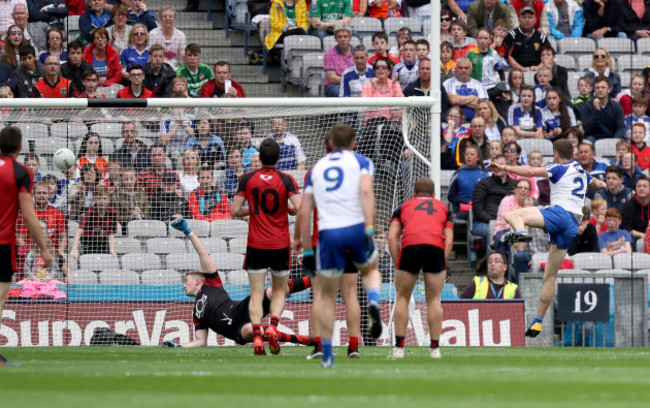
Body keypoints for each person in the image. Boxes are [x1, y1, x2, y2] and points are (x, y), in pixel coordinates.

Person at [487, 139, 606, 338]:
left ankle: (522, 234)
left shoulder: (559, 168)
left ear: (557, 155)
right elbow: (597, 183)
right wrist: (602, 184)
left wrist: (505, 166)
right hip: (571, 225)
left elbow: (531, 172)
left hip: (560, 214)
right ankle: (537, 321)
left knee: (512, 216)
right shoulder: (582, 172)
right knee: (550, 276)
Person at [297, 122, 383, 368]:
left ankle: (326, 353)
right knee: (362, 281)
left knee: (324, 296)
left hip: (328, 235)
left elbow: (304, 212)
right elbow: (367, 193)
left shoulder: (316, 168)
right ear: (354, 143)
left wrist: (308, 250)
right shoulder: (362, 162)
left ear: (330, 144)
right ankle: (358, 337)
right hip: (356, 228)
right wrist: (369, 228)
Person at [162, 218, 313, 349]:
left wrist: (188, 231)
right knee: (253, 331)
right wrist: (179, 346)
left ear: (196, 281)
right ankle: (298, 339)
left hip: (241, 308)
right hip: (235, 330)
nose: (183, 285)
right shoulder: (196, 313)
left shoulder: (211, 282)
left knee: (274, 291)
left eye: (186, 281)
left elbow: (202, 253)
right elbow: (201, 341)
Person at [230, 138, 301, 356]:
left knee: (256, 293)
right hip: (280, 244)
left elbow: (234, 211)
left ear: (259, 158)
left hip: (256, 244)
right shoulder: (287, 179)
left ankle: (258, 336)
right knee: (280, 290)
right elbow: (299, 208)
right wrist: (286, 209)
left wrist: (252, 212)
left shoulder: (247, 178)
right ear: (279, 158)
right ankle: (273, 326)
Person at [0, 126, 51, 366]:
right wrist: (44, 248)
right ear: (20, 148)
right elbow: (30, 216)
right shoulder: (21, 172)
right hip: (2, 244)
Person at [386, 177, 452, 359]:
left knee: (402, 298)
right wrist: (441, 262)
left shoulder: (403, 207)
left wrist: (398, 261)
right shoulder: (443, 208)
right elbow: (449, 239)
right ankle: (434, 349)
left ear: (414, 193)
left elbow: (392, 237)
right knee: (434, 300)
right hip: (435, 249)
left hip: (410, 248)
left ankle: (399, 349)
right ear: (434, 195)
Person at [70, 184, 117, 259]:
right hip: (89, 243)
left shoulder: (112, 213)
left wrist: (112, 250)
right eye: (99, 198)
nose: (102, 201)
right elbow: (79, 231)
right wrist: (74, 249)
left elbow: (111, 235)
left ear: (109, 199)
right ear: (95, 199)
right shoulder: (90, 213)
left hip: (103, 243)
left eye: (104, 198)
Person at [504, 7, 551, 72]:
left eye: (530, 17)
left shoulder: (541, 37)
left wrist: (537, 68)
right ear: (519, 19)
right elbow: (506, 55)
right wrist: (521, 68)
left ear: (535, 19)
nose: (527, 20)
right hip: (515, 71)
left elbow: (548, 56)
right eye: (524, 17)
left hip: (537, 71)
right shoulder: (512, 35)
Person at [581, 76, 626, 143]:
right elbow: (587, 128)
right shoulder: (587, 106)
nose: (600, 90)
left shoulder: (616, 106)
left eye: (603, 87)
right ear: (594, 90)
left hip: (612, 137)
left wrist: (615, 141)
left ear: (609, 89)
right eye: (597, 87)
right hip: (593, 138)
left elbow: (621, 127)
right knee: (587, 142)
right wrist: (596, 110)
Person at [448, 145, 488, 218]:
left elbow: (488, 195)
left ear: (478, 157)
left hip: (479, 209)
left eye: (472, 154)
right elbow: (451, 197)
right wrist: (466, 203)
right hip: (462, 210)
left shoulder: (484, 175)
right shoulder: (458, 174)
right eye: (467, 154)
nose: (469, 156)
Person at [443, 57, 488, 122]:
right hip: (455, 123)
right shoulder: (448, 82)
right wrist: (473, 98)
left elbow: (483, 105)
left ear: (471, 70)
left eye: (466, 68)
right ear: (455, 69)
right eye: (460, 68)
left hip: (477, 122)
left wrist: (459, 100)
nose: (463, 70)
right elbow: (453, 100)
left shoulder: (479, 85)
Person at [466, 28, 508, 93]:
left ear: (490, 40)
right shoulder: (470, 53)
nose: (483, 40)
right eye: (480, 38)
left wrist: (503, 83)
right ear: (476, 39)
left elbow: (501, 71)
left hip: (491, 87)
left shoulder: (494, 54)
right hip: (474, 87)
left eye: (485, 38)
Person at [323, 25, 354, 98]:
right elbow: (332, 79)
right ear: (335, 38)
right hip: (335, 85)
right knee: (337, 91)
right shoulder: (329, 54)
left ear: (350, 38)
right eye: (339, 37)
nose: (342, 39)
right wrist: (352, 80)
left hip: (355, 84)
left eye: (345, 36)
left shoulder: (357, 52)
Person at [621, 176, 650, 247]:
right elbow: (626, 228)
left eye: (644, 186)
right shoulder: (627, 206)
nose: (641, 188)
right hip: (635, 236)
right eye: (639, 186)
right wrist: (643, 235)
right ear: (635, 189)